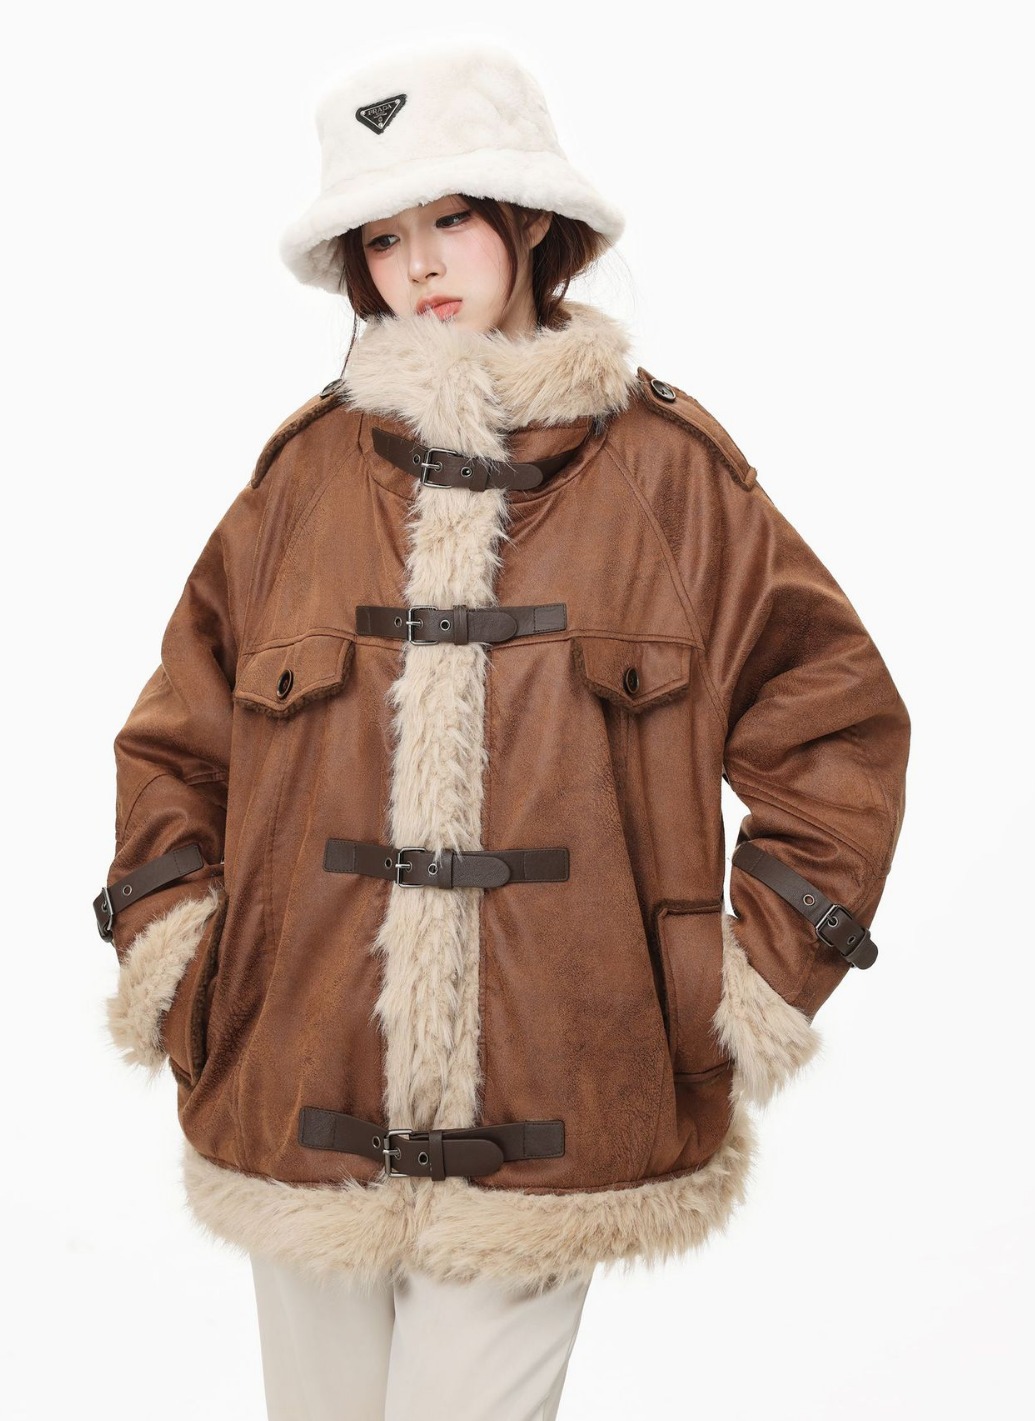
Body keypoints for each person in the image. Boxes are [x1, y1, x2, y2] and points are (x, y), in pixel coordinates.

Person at [93, 39, 911, 1421]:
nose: (418, 264)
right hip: (296, 1079)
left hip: (562, 1088)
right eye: (384, 237)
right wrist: (188, 973)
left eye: (452, 218)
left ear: (528, 222)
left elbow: (835, 724)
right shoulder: (301, 479)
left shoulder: (669, 477)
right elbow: (176, 744)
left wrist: (737, 984)